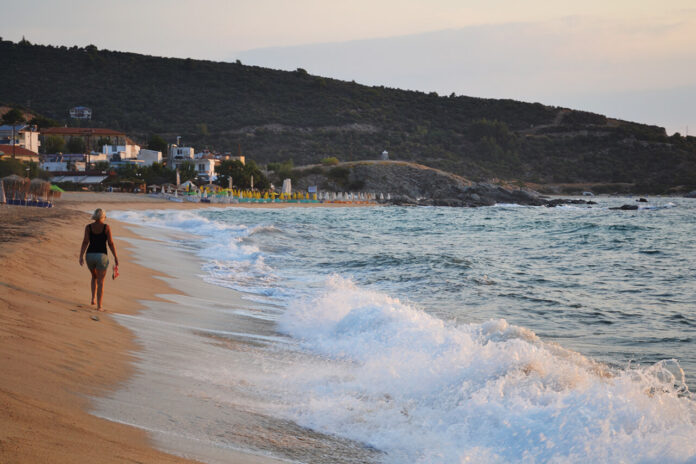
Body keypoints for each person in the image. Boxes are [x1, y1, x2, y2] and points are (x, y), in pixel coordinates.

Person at [79, 208, 119, 311]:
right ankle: (99, 306)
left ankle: (93, 299)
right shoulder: (106, 227)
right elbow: (110, 243)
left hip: (90, 256)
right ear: (103, 217)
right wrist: (115, 256)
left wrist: (81, 256)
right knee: (101, 281)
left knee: (94, 277)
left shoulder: (88, 227)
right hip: (102, 257)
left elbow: (85, 242)